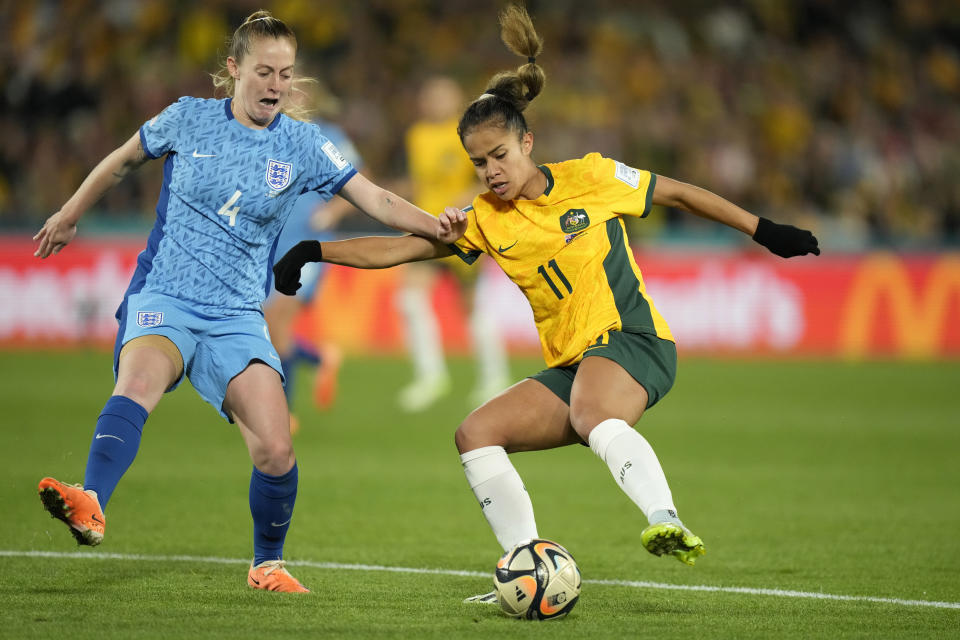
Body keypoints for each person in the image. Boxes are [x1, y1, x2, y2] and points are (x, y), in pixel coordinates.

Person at [273, 4, 819, 601]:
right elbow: (401, 249)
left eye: (500, 156)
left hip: (634, 341)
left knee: (593, 415)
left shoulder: (591, 177)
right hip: (574, 365)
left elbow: (681, 194)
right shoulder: (484, 219)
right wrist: (314, 250)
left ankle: (664, 516)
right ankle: (526, 566)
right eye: (478, 163)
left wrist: (764, 230)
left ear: (527, 141)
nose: (490, 172)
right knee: (475, 432)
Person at [33, 10, 463, 593]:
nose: (276, 86)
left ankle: (267, 564)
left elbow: (379, 200)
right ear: (234, 69)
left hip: (238, 315)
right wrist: (69, 213)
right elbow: (122, 160)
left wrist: (438, 227)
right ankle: (91, 500)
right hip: (167, 295)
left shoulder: (304, 144)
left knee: (276, 445)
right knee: (137, 386)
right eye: (264, 71)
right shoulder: (187, 119)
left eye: (286, 74)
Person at [395, 75, 510, 412]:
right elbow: (420, 183)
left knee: (472, 307)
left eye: (442, 96)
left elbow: (482, 179)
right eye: (429, 95)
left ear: (457, 101)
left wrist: (460, 206)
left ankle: (495, 376)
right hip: (427, 228)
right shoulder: (416, 136)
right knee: (409, 298)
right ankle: (430, 377)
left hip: (464, 229)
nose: (434, 102)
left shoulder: (468, 137)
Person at [263, 84, 361, 431]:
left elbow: (358, 180)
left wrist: (332, 212)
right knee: (267, 328)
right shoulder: (265, 136)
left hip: (307, 246)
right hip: (268, 245)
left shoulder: (327, 136)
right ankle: (321, 357)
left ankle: (283, 414)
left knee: (278, 325)